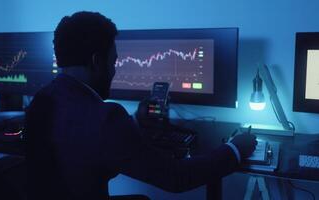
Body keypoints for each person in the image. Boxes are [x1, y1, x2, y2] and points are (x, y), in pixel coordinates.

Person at [25, 11, 257, 200]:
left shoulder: (40, 101)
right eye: (113, 61)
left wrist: (135, 122)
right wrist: (235, 149)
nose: (115, 70)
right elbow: (176, 178)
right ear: (97, 62)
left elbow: (87, 145)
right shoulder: (105, 118)